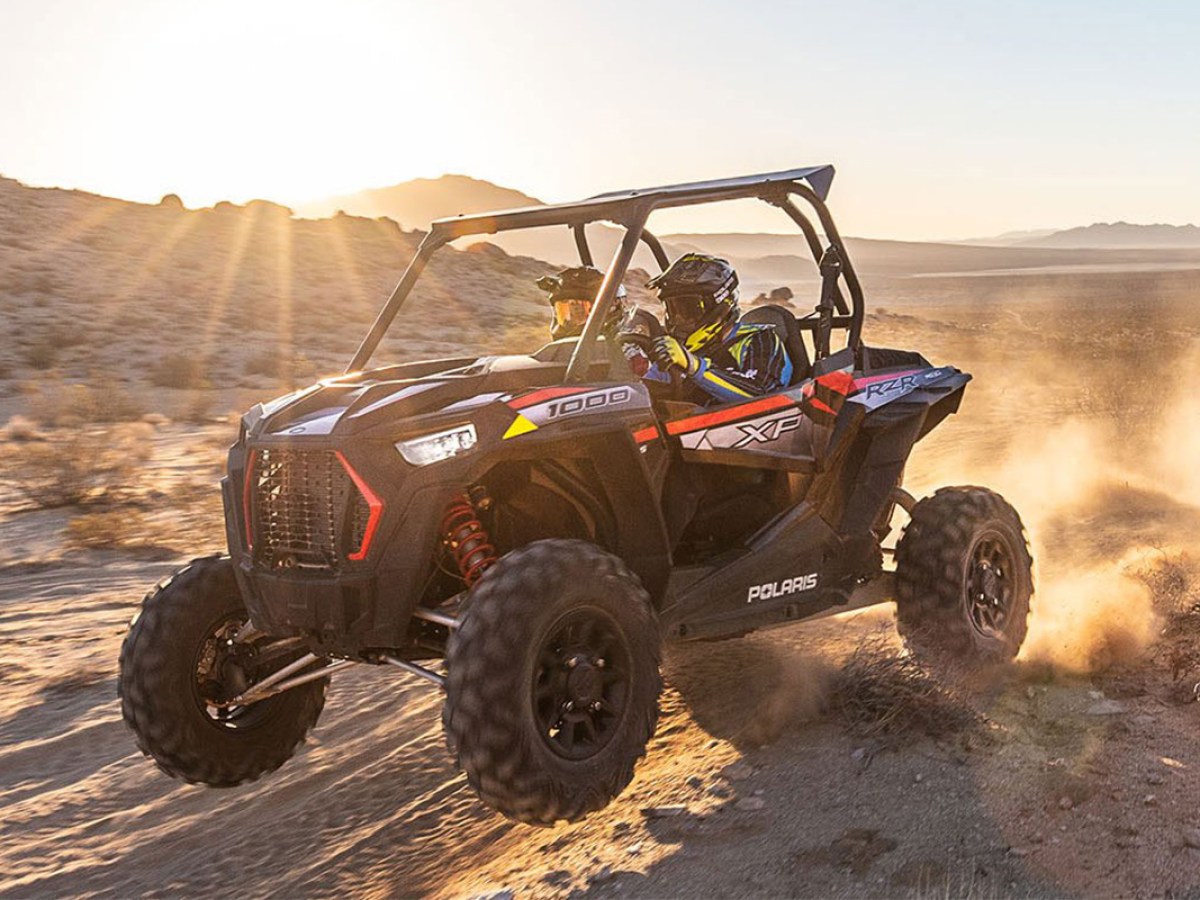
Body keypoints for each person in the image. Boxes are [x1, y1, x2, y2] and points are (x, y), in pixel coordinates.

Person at [647, 253, 793, 404]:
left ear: (719, 304)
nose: (677, 318)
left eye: (687, 309)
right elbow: (645, 389)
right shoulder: (678, 350)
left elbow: (760, 393)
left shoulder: (759, 339)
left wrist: (693, 366)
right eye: (673, 309)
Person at [535, 266, 633, 341]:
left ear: (609, 311)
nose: (574, 313)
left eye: (582, 309)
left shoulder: (630, 352)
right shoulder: (556, 355)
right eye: (565, 311)